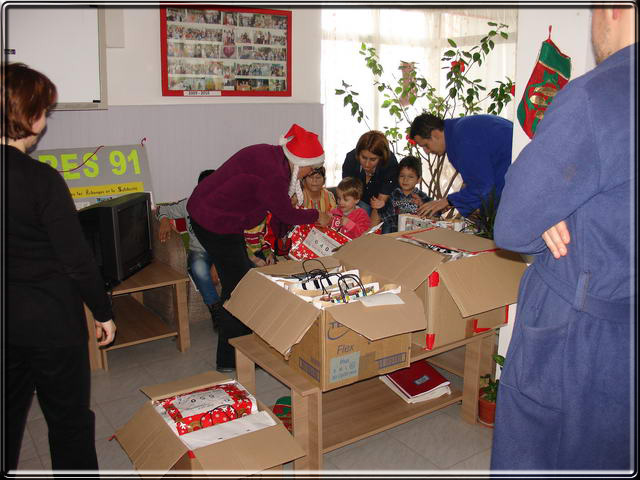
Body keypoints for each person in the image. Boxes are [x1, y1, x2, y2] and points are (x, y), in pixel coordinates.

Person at [491, 7, 635, 471]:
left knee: (545, 453)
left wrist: (552, 208)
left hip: (579, 331)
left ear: (610, 10)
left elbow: (513, 223)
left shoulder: (598, 96)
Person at [2, 63, 117, 471]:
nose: (46, 120)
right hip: (52, 323)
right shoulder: (42, 179)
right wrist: (103, 312)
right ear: (29, 115)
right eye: (45, 111)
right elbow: (77, 258)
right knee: (68, 421)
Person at [186, 124, 331, 371]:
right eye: (309, 168)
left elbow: (258, 200)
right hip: (215, 223)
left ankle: (241, 352)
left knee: (240, 284)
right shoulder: (274, 175)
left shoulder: (268, 152)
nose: (308, 173)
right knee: (241, 290)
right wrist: (317, 215)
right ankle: (230, 360)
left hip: (210, 213)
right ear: (298, 161)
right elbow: (285, 211)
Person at [409, 113, 512, 218]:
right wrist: (454, 202)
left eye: (426, 145)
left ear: (435, 134)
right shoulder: (458, 130)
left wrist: (449, 201)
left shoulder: (462, 139)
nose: (426, 152)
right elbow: (475, 180)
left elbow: (483, 186)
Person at [157, 169, 223, 330]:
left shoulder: (226, 206)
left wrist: (218, 263)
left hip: (222, 250)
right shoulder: (189, 204)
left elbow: (231, 238)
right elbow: (162, 209)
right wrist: (164, 221)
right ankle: (216, 310)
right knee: (199, 268)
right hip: (198, 252)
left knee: (244, 268)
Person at [342, 130, 399, 224]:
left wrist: (368, 235)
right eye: (363, 158)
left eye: (373, 159)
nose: (367, 164)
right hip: (359, 202)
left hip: (385, 205)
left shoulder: (390, 164)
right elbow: (348, 197)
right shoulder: (351, 159)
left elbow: (379, 203)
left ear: (381, 158)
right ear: (358, 154)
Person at [370, 156, 432, 233]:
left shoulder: (422, 197)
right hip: (394, 233)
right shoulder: (393, 195)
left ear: (418, 179)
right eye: (402, 176)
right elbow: (387, 217)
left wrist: (421, 205)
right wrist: (381, 207)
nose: (405, 180)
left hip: (414, 232)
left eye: (410, 177)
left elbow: (434, 215)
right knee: (387, 225)